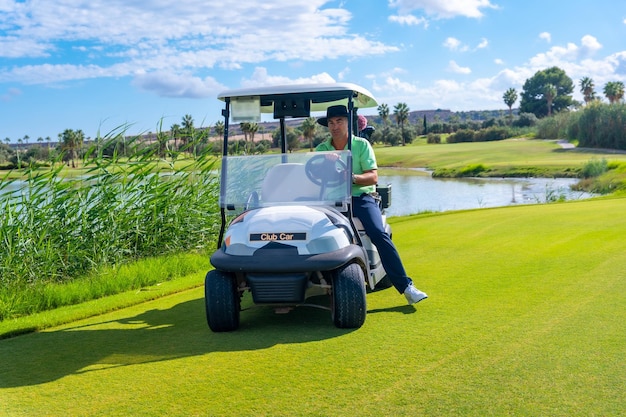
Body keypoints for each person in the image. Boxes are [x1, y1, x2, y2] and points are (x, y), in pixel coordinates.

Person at [316, 105, 428, 305]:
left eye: (339, 121)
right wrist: (326, 164)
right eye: (331, 123)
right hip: (329, 201)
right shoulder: (321, 149)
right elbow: (313, 177)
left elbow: (372, 177)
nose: (334, 126)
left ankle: (406, 286)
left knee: (378, 233)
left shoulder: (361, 145)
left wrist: (352, 178)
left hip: (360, 197)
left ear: (348, 122)